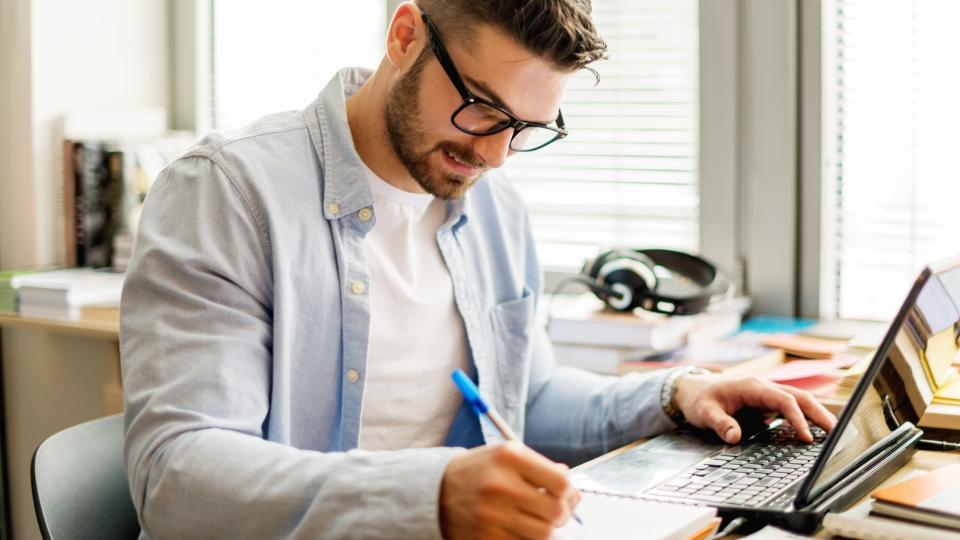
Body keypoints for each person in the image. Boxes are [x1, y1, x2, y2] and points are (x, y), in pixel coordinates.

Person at [120, 1, 837, 538]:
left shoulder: (493, 213)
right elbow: (177, 475)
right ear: (404, 35)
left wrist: (679, 394)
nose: (495, 156)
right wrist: (429, 496)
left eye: (527, 129)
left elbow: (525, 401)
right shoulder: (226, 191)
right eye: (482, 110)